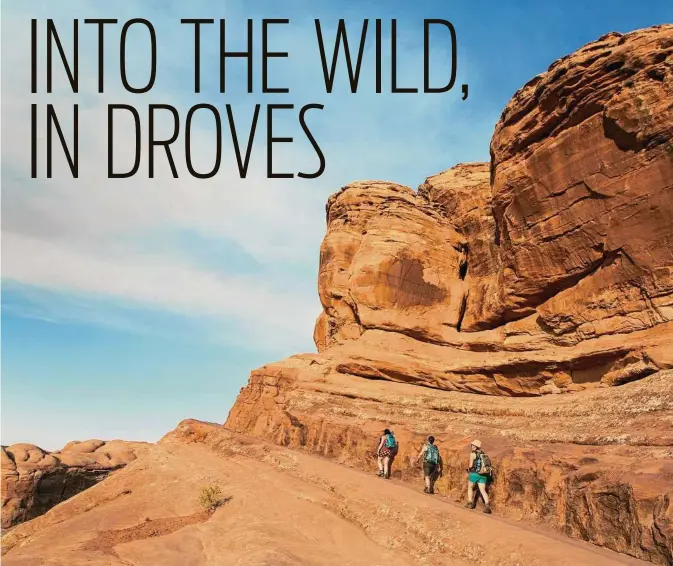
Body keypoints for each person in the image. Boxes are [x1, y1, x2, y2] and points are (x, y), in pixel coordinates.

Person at [465, 439, 492, 513]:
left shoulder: (472, 454)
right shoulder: (484, 454)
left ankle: (470, 502)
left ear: (476, 446)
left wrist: (468, 469)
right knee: (482, 490)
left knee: (470, 487)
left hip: (474, 474)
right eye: (472, 445)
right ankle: (487, 505)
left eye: (473, 445)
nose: (472, 446)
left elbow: (470, 466)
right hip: (483, 475)